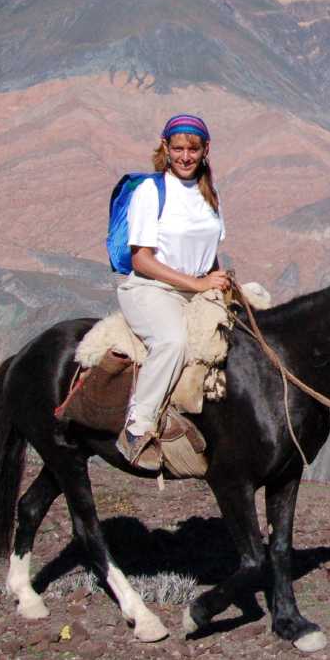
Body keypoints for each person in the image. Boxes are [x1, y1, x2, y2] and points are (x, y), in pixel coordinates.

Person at [115, 114, 228, 470]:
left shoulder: (210, 195)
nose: (184, 156)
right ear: (166, 148)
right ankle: (138, 425)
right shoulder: (151, 191)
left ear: (205, 150)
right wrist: (196, 284)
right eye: (177, 148)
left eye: (192, 149)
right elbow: (142, 260)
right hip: (152, 289)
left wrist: (216, 280)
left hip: (198, 288)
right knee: (172, 342)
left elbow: (207, 254)